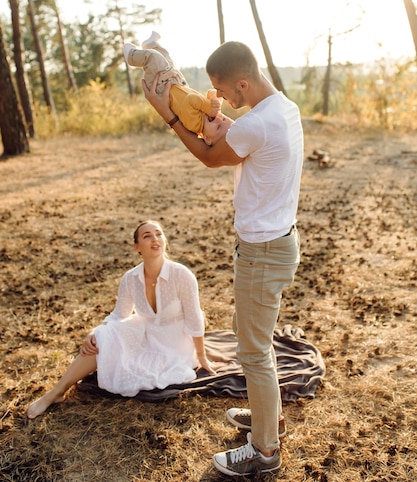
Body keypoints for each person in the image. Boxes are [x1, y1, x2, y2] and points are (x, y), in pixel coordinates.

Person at [142, 41, 304, 477]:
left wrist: (171, 116)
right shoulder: (283, 109)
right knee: (256, 340)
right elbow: (240, 136)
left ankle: (265, 451)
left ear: (243, 82)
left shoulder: (258, 124)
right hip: (279, 243)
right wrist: (223, 121)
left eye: (224, 90)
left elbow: (212, 157)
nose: (222, 99)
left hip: (261, 253)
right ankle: (269, 416)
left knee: (253, 352)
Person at [26, 220, 216, 419]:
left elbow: (195, 318)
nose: (155, 239)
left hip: (175, 343)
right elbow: (119, 315)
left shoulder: (182, 275)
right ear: (137, 247)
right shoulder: (130, 278)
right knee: (102, 337)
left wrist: (201, 356)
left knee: (139, 365)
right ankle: (57, 392)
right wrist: (95, 332)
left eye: (159, 234)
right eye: (147, 236)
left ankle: (61, 389)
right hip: (146, 333)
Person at [124, 32, 233, 145]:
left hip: (160, 87)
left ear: (207, 138)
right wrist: (216, 102)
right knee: (165, 56)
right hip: (175, 82)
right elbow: (211, 92)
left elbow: (191, 99)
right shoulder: (207, 113)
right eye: (224, 118)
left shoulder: (195, 124)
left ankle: (131, 56)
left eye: (218, 127)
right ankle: (150, 44)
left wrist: (210, 108)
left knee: (155, 58)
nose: (219, 119)